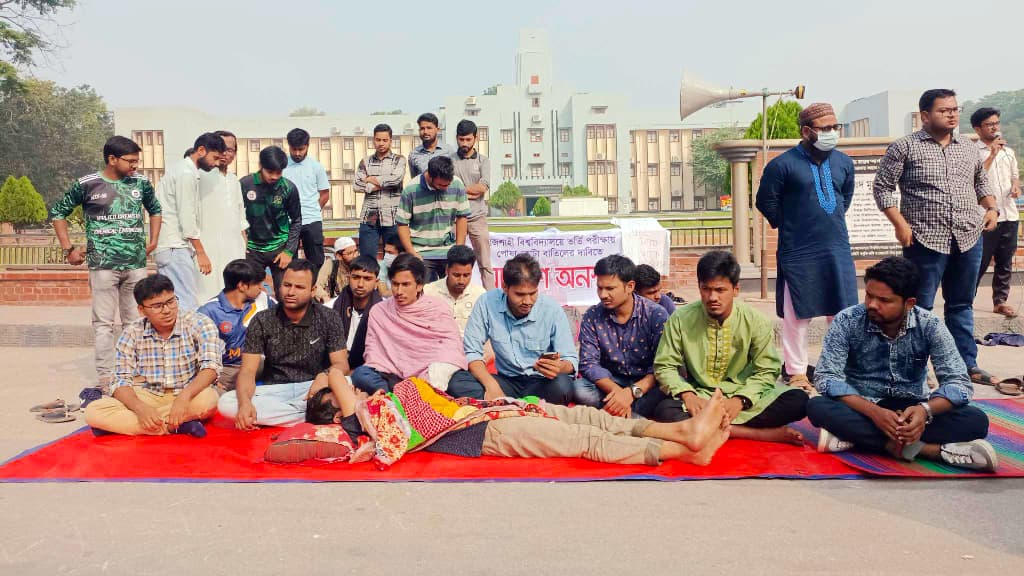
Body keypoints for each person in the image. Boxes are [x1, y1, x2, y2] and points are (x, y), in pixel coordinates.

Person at [807, 257, 996, 472]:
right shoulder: (847, 320)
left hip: (911, 411)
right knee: (817, 406)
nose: (872, 305)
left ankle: (856, 439)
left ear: (909, 303)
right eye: (869, 295)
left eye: (884, 300)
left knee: (976, 420)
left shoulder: (930, 325)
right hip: (862, 406)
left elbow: (959, 384)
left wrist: (924, 411)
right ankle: (928, 451)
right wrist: (873, 412)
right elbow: (826, 377)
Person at [305, 377, 732, 467]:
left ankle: (682, 433)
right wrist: (325, 379)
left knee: (586, 415)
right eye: (345, 398)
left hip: (493, 412)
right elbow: (341, 379)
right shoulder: (364, 422)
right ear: (338, 410)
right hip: (485, 433)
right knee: (582, 438)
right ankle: (685, 450)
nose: (360, 393)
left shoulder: (377, 405)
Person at [873, 89, 1000, 386]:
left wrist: (992, 208)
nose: (952, 114)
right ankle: (915, 368)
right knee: (919, 307)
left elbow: (981, 182)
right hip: (924, 239)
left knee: (961, 304)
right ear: (925, 115)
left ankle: (965, 365)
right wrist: (899, 223)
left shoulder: (967, 147)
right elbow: (882, 188)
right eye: (945, 110)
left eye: (955, 109)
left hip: (969, 236)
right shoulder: (905, 147)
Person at [653, 251, 808, 444]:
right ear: (699, 288)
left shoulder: (755, 321)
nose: (712, 297)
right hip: (701, 396)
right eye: (706, 289)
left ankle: (706, 428)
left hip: (744, 397)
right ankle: (755, 433)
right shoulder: (680, 319)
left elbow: (767, 370)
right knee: (664, 411)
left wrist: (740, 400)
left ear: (735, 289)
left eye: (720, 290)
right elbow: (664, 365)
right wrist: (688, 395)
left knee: (798, 400)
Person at [755, 102, 858, 392]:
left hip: (837, 247)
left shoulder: (843, 163)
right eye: (826, 129)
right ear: (806, 131)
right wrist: (791, 224)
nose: (832, 133)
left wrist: (826, 219)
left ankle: (837, 369)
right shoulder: (782, 164)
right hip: (799, 250)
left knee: (842, 314)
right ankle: (797, 372)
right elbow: (765, 201)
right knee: (797, 315)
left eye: (835, 127)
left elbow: (843, 198)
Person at [51, 136, 163, 389]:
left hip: (136, 264)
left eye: (137, 161)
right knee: (103, 323)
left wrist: (153, 241)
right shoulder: (88, 184)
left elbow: (155, 209)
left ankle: (134, 371)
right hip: (102, 265)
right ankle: (106, 375)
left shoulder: (141, 183)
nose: (136, 166)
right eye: (131, 161)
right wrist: (68, 248)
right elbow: (58, 213)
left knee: (135, 322)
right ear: (112, 159)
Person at [83, 274, 222, 437]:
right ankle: (172, 426)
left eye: (171, 301)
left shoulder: (200, 323)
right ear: (141, 310)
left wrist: (184, 397)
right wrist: (139, 408)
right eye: (157, 306)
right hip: (149, 394)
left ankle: (128, 425)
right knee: (93, 411)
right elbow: (120, 379)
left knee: (208, 400)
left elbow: (211, 367)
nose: (167, 310)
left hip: (189, 392)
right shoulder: (132, 332)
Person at [218, 259, 349, 428]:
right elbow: (247, 371)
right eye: (287, 285)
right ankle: (312, 416)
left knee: (349, 381)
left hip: (312, 388)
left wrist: (324, 376)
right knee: (226, 402)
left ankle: (278, 416)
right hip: (276, 390)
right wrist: (244, 404)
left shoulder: (329, 317)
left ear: (313, 290)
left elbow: (341, 363)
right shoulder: (262, 320)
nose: (291, 292)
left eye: (299, 287)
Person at [449, 254, 578, 405]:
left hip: (541, 382)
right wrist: (491, 384)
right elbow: (472, 352)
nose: (527, 301)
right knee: (457, 382)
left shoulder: (552, 309)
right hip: (506, 382)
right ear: (505, 287)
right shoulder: (487, 303)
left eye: (532, 293)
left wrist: (559, 367)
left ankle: (506, 403)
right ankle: (521, 402)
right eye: (520, 294)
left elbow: (571, 360)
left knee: (563, 386)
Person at [350, 254, 468, 393]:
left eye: (405, 285)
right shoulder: (379, 311)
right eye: (395, 284)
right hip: (390, 373)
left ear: (419, 286)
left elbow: (450, 348)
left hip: (430, 374)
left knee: (462, 385)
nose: (399, 291)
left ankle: (400, 395)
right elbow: (374, 353)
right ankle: (401, 396)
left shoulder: (437, 308)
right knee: (360, 375)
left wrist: (432, 373)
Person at [575, 255, 670, 419]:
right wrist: (619, 393)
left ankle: (615, 415)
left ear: (630, 286)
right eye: (600, 288)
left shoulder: (655, 314)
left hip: (645, 385)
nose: (603, 295)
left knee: (667, 393)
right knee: (580, 390)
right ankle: (632, 417)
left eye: (610, 289)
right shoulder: (592, 315)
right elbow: (588, 363)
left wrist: (631, 393)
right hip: (611, 384)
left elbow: (661, 365)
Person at [154, 132, 226, 311]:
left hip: (170, 246)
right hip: (174, 247)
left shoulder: (181, 170)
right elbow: (187, 217)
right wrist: (201, 252)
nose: (216, 163)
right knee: (186, 303)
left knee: (172, 302)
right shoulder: (186, 174)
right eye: (215, 157)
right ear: (201, 150)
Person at [971, 107, 1020, 318]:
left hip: (1009, 214)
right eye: (989, 124)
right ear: (978, 128)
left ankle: (1000, 301)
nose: (994, 128)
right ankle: (965, 300)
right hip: (986, 216)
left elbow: (1014, 175)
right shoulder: (973, 151)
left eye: (996, 123)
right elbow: (975, 176)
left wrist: (1016, 186)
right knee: (979, 261)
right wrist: (991, 154)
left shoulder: (1008, 152)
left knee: (1005, 260)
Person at [197, 259, 274, 392]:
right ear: (242, 286)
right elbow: (195, 351)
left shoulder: (263, 300)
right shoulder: (209, 312)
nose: (262, 288)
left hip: (259, 363)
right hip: (226, 370)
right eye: (258, 284)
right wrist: (212, 379)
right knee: (211, 398)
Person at [396, 155, 470, 281]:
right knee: (424, 294)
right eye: (441, 185)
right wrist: (412, 252)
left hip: (448, 251)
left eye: (448, 184)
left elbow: (462, 217)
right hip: (421, 253)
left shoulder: (457, 184)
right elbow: (402, 224)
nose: (446, 188)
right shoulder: (411, 189)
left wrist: (458, 249)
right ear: (430, 176)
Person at [240, 146, 302, 294]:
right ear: (261, 166)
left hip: (280, 248)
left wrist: (289, 251)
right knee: (250, 293)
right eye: (270, 172)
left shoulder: (288, 188)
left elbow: (296, 220)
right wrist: (242, 241)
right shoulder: (245, 184)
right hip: (252, 249)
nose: (274, 177)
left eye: (278, 172)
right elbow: (235, 216)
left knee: (285, 294)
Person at [197, 130, 248, 302]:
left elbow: (241, 216)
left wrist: (244, 244)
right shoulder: (201, 176)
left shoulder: (234, 180)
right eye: (222, 148)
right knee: (206, 292)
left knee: (234, 290)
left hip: (233, 247)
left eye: (231, 149)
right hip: (207, 246)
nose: (226, 153)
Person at [453, 119, 495, 289]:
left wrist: (460, 191)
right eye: (461, 139)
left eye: (468, 139)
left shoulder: (484, 161)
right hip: (454, 220)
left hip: (477, 218)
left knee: (485, 263)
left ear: (475, 138)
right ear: (456, 138)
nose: (465, 143)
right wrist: (470, 191)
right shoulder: (449, 161)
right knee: (454, 261)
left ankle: (491, 299)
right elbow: (447, 188)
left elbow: (482, 187)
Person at [355, 123, 407, 259]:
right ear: (373, 140)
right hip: (369, 217)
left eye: (385, 140)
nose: (381, 143)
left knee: (394, 259)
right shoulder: (365, 161)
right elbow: (357, 185)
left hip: (393, 216)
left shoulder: (399, 160)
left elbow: (396, 180)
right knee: (367, 260)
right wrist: (381, 184)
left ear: (391, 140)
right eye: (378, 140)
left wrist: (371, 180)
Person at [282, 128, 330, 276]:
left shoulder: (316, 167)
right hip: (287, 222)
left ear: (308, 146)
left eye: (301, 149)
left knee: (316, 263)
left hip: (312, 221)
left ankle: (316, 295)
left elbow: (325, 194)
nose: (297, 153)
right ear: (288, 146)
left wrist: (313, 211)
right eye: (294, 149)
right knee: (288, 264)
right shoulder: (281, 166)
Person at [331, 255, 384, 371]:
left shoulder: (384, 312)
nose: (360, 284)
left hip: (368, 370)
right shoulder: (332, 307)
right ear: (348, 278)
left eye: (367, 279)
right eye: (356, 277)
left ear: (376, 282)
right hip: (335, 366)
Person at [422, 244, 487, 338]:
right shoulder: (429, 292)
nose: (461, 281)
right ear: (447, 270)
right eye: (456, 275)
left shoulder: (480, 295)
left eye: (466, 275)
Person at [407, 112, 456, 178]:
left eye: (429, 128)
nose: (425, 132)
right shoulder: (414, 154)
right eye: (422, 128)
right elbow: (415, 179)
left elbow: (453, 176)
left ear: (437, 130)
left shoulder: (449, 151)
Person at [313, 236, 359, 303]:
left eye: (356, 251)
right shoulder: (331, 264)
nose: (355, 256)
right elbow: (317, 285)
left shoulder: (361, 265)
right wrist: (324, 296)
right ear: (339, 256)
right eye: (350, 253)